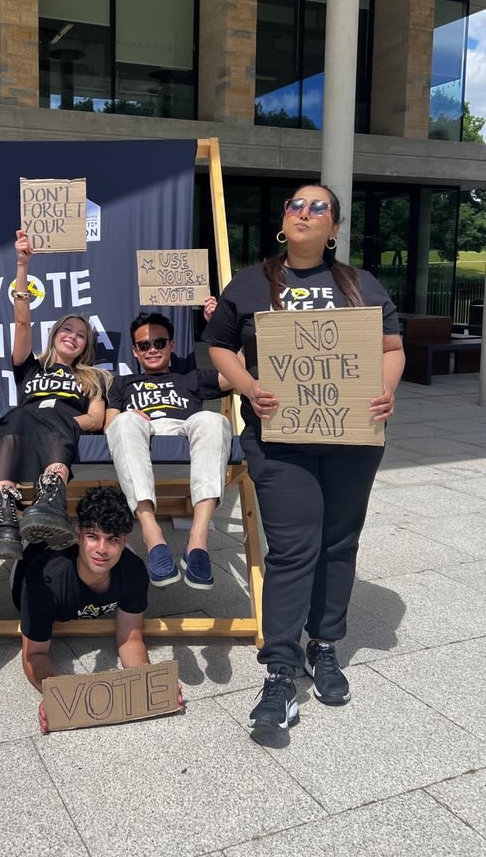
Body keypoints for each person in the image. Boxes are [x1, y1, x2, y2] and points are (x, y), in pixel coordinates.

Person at [204, 184, 404, 733]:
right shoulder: (249, 283)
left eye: (318, 207)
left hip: (352, 440)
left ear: (335, 228)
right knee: (293, 550)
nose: (304, 212)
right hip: (278, 441)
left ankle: (325, 645)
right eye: (295, 204)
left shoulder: (362, 284)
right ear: (283, 221)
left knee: (338, 544)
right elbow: (219, 344)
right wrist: (248, 385)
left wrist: (386, 391)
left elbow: (392, 346)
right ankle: (279, 671)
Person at [0, 229, 110, 559]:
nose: (72, 336)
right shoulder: (30, 367)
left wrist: (63, 420)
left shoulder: (93, 378)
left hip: (60, 430)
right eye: (67, 329)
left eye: (80, 335)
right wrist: (22, 265)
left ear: (86, 346)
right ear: (54, 335)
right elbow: (22, 323)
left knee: (49, 414)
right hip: (21, 428)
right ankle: (4, 517)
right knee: (13, 417)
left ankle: (51, 501)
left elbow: (96, 419)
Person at [104, 311, 233, 590]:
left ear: (172, 346)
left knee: (214, 420)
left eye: (160, 343)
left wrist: (220, 323)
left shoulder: (191, 379)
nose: (152, 350)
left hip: (186, 427)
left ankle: (197, 542)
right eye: (144, 345)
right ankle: (152, 535)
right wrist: (133, 415)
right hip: (139, 428)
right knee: (124, 421)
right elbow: (110, 425)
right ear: (135, 352)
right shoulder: (122, 384)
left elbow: (238, 373)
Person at [12, 486, 149, 729]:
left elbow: (130, 640)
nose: (102, 549)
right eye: (93, 536)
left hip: (95, 577)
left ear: (124, 540)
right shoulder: (45, 582)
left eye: (113, 540)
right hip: (30, 566)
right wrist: (57, 696)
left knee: (121, 562)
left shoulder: (133, 570)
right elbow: (35, 654)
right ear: (79, 535)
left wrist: (147, 685)